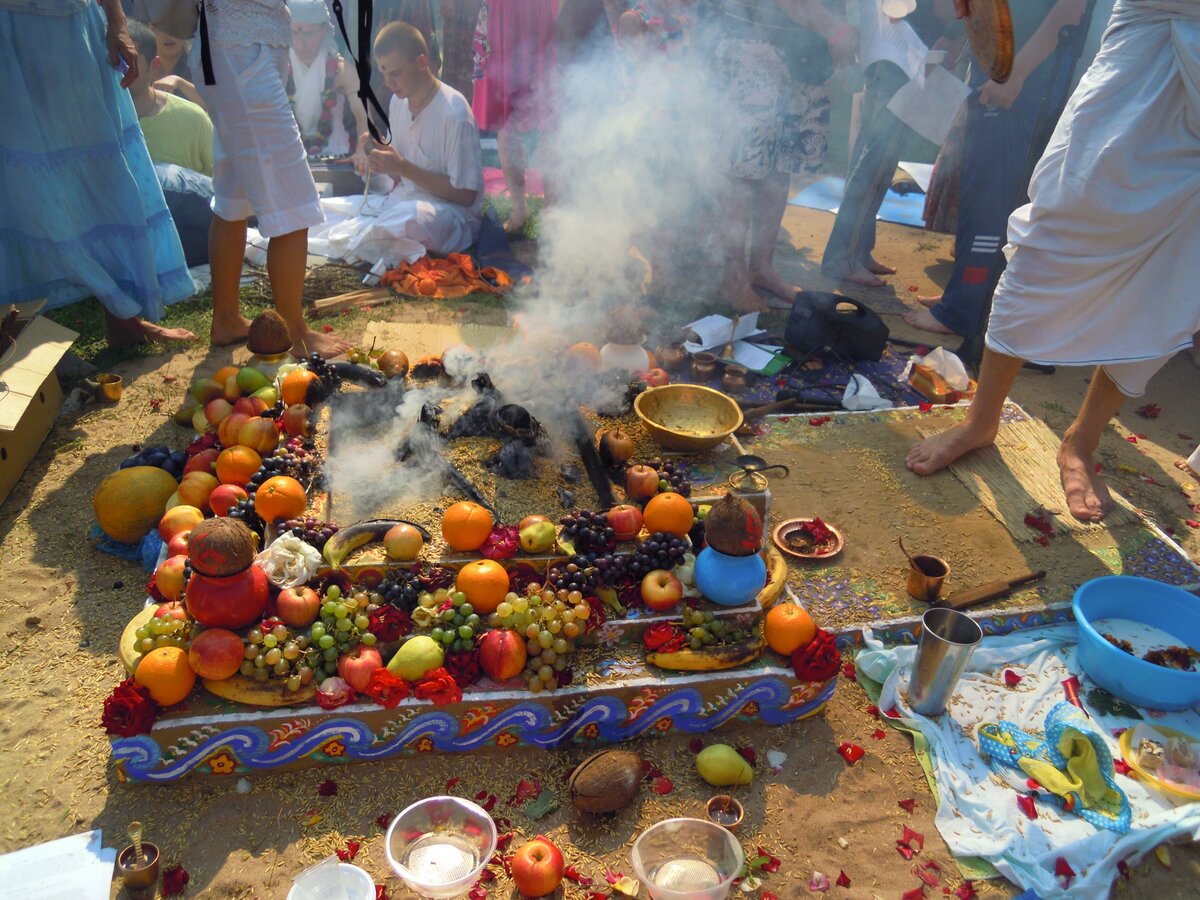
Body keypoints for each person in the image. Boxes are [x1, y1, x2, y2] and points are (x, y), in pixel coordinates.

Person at [907, 0, 1200, 524]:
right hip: (1139, 61)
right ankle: (981, 421)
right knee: (1048, 236)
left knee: (1168, 275)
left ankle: (1081, 442)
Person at [0, 0, 195, 347]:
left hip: (75, 24)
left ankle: (122, 317)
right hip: (8, 29)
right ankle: (16, 334)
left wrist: (117, 20)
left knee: (105, 170)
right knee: (17, 183)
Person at [902, 0, 1087, 336]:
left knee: (992, 198)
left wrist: (1016, 74)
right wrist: (955, 34)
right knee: (975, 191)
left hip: (1024, 81)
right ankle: (962, 295)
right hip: (994, 68)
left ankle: (964, 311)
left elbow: (1069, 11)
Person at [194, 0, 350, 358]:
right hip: (241, 52)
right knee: (294, 198)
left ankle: (228, 318)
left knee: (233, 195)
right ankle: (292, 330)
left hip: (229, 50)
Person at [291, 21, 482, 267]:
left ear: (422, 63)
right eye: (383, 73)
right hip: (401, 202)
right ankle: (337, 243)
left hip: (449, 218)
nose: (389, 83)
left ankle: (343, 248)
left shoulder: (454, 113)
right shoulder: (398, 102)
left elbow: (465, 195)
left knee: (403, 219)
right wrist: (380, 154)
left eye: (395, 73)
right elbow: (402, 178)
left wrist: (402, 167)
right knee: (321, 209)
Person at [714, 0, 857, 313]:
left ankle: (761, 268)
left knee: (782, 163)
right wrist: (836, 30)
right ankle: (733, 276)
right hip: (754, 49)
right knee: (743, 167)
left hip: (803, 55)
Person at [820, 0, 954, 287]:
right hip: (901, 52)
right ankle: (842, 256)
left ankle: (857, 249)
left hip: (894, 50)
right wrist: (952, 32)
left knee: (876, 158)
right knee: (876, 160)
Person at [472, 0, 559, 233]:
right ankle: (518, 210)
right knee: (505, 115)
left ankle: (552, 209)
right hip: (502, 11)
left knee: (549, 112)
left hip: (541, 8)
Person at [127, 20, 213, 176]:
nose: (120, 68)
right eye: (159, 28)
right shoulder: (91, 123)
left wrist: (180, 83)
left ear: (152, 64)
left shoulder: (193, 118)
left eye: (129, 61)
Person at [287, 0, 367, 159]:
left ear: (324, 30)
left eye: (308, 34)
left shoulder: (341, 70)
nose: (300, 43)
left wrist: (361, 150)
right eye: (294, 33)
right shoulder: (279, 68)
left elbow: (363, 116)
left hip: (336, 156)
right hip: (290, 158)